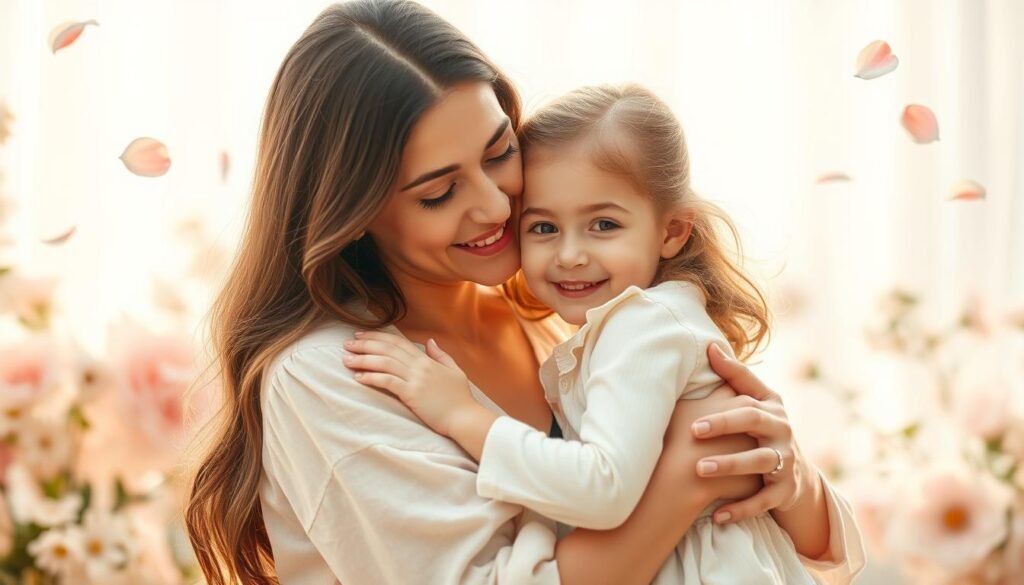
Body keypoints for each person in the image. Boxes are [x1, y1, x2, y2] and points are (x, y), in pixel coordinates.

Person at [185, 2, 865, 584]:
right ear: (354, 210)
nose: (494, 205)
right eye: (439, 192)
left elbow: (803, 548)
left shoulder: (559, 313)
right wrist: (691, 476)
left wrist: (783, 469)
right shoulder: (334, 375)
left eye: (499, 150)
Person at [346, 83, 844, 584]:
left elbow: (602, 489)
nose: (569, 255)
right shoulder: (621, 325)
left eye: (603, 224)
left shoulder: (643, 327)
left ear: (672, 231)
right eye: (543, 228)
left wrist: (461, 415)